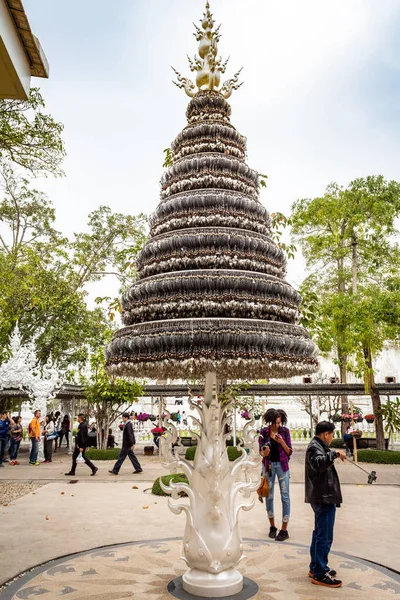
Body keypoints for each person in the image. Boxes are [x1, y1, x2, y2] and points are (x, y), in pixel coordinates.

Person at [305, 420, 346, 588]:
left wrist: (332, 453)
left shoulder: (318, 445)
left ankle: (316, 566)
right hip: (323, 496)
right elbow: (318, 463)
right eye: (332, 434)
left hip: (322, 495)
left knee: (320, 533)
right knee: (325, 535)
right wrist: (335, 454)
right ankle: (320, 573)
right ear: (326, 434)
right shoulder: (315, 447)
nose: (332, 438)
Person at [259, 408, 292, 542]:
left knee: (285, 496)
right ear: (270, 421)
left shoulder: (285, 432)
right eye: (275, 423)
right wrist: (265, 451)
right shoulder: (263, 432)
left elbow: (289, 452)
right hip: (268, 466)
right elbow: (261, 452)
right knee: (269, 496)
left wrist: (281, 442)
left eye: (279, 423)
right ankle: (272, 527)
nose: (277, 425)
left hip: (283, 466)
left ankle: (284, 530)